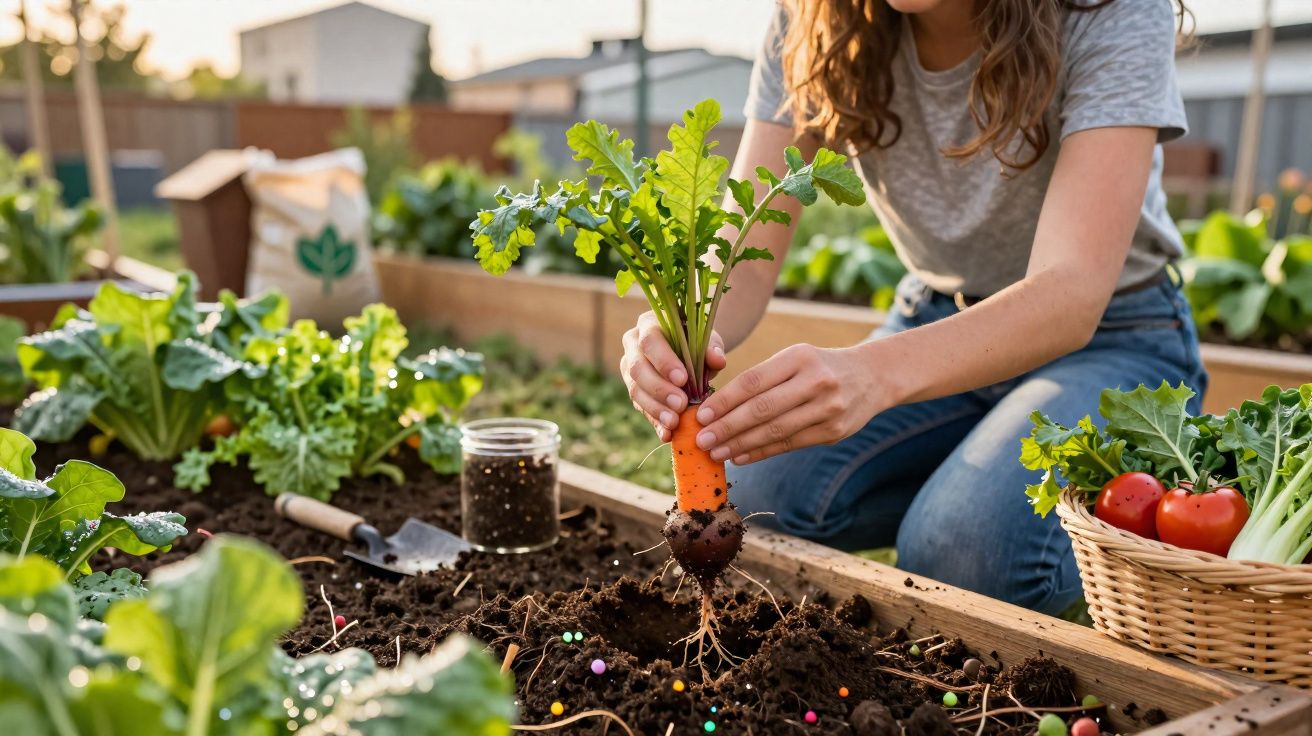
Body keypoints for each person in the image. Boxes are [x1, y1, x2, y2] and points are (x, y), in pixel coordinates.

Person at [619, 0, 1204, 616]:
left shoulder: (1109, 11)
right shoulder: (813, 19)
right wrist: (679, 329)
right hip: (935, 317)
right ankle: (966, 485)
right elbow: (746, 257)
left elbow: (1071, 292)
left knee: (961, 556)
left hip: (1111, 339)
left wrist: (874, 373)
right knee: (755, 494)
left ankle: (997, 515)